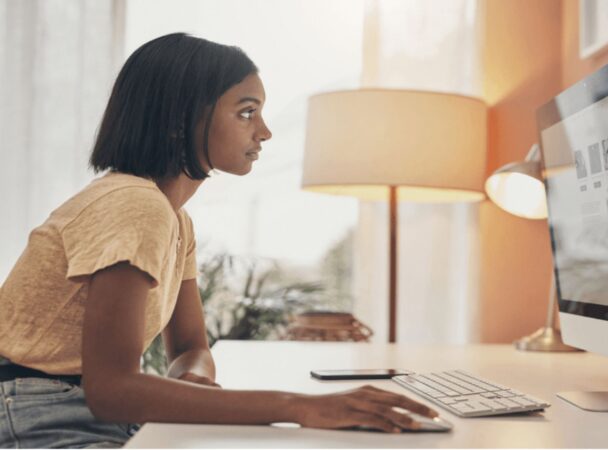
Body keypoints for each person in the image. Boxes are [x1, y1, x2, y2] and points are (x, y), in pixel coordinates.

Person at [0, 33, 437, 448]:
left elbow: (191, 348)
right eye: (247, 111)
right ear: (180, 120)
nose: (264, 131)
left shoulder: (174, 220)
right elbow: (112, 388)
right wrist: (301, 406)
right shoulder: (133, 206)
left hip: (76, 409)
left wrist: (192, 382)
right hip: (37, 412)